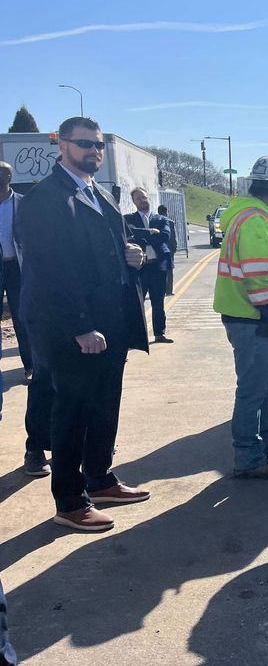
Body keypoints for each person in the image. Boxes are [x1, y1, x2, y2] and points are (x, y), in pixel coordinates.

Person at [17, 116, 151, 532]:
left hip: (110, 324)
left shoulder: (99, 194)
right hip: (73, 329)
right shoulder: (46, 198)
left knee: (103, 404)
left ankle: (100, 477)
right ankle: (70, 501)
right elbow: (49, 270)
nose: (93, 151)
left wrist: (135, 253)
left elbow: (117, 244)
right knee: (72, 410)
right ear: (61, 146)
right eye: (84, 144)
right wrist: (79, 326)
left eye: (98, 145)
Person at [213, 155, 268, 479]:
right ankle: (248, 456)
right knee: (253, 389)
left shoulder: (253, 215)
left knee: (264, 385)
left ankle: (267, 443)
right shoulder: (254, 221)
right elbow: (257, 276)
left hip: (248, 316)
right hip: (252, 318)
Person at [125, 187, 173, 343]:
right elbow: (130, 236)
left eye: (144, 197)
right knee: (136, 304)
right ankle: (137, 337)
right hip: (139, 268)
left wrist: (143, 236)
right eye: (139, 198)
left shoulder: (161, 219)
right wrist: (152, 232)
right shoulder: (129, 219)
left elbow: (165, 236)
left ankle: (159, 333)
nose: (142, 201)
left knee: (158, 302)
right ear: (134, 201)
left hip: (157, 267)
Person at [0, 162, 31, 385]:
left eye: (2, 174)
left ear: (9, 176)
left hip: (18, 268)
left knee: (23, 318)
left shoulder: (23, 203)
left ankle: (30, 365)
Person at [157, 204, 178, 295]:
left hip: (158, 249)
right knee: (169, 270)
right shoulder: (170, 222)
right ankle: (169, 290)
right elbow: (173, 237)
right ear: (166, 212)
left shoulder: (154, 221)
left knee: (158, 270)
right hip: (169, 249)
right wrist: (174, 247)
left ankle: (160, 289)